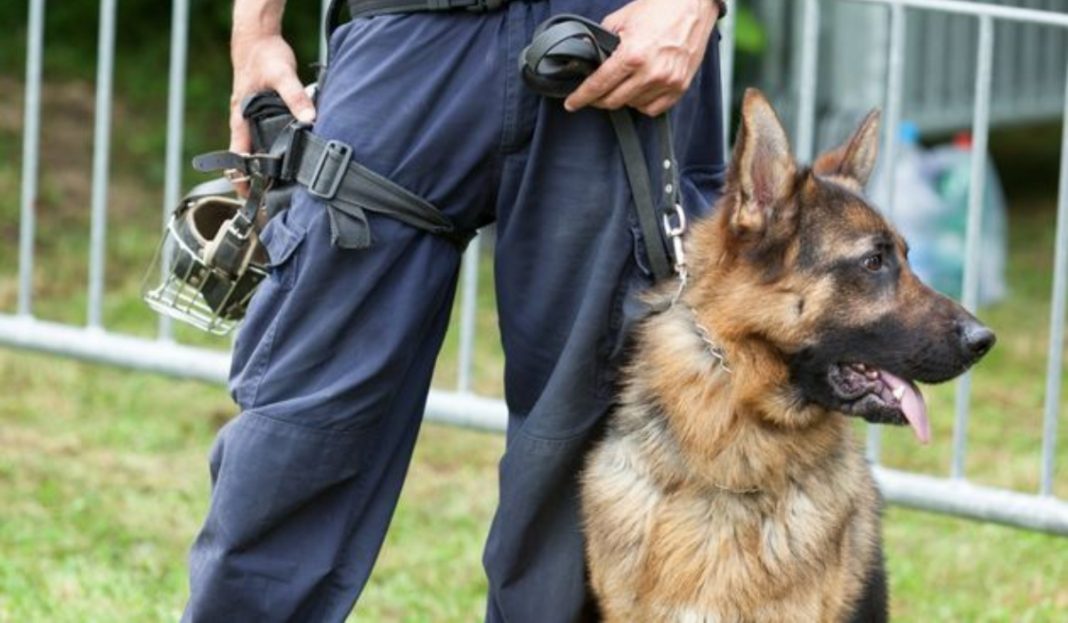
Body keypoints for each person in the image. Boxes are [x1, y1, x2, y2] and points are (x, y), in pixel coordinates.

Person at [184, 0, 726, 620]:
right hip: (403, 32)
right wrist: (255, 30)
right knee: (295, 430)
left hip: (616, 37)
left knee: (590, 462)